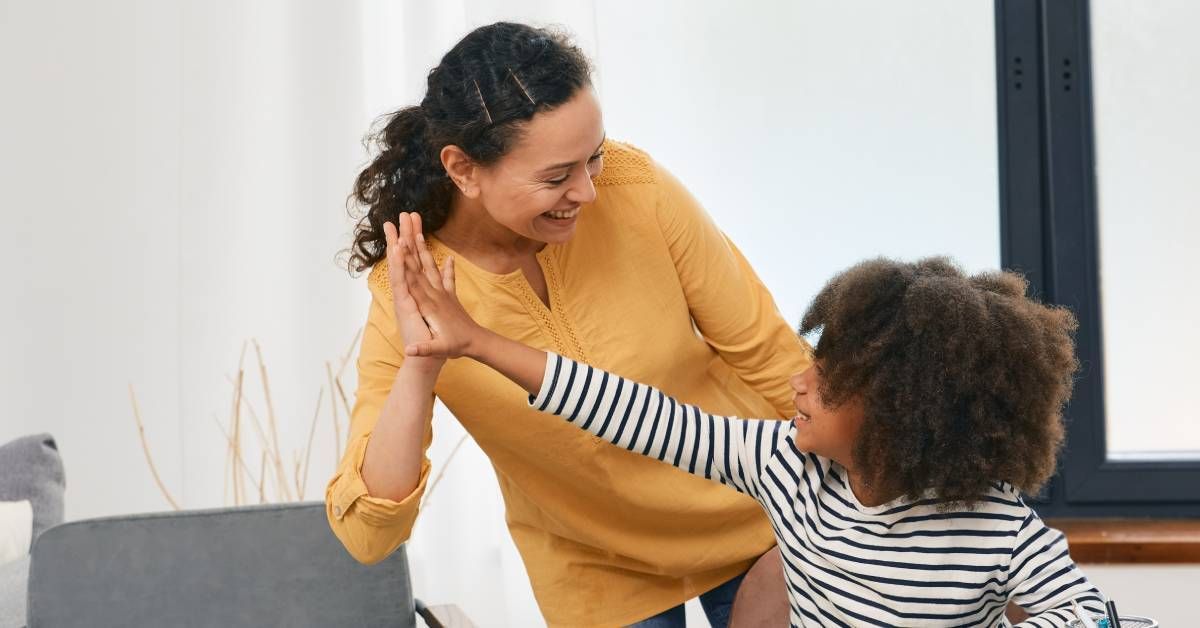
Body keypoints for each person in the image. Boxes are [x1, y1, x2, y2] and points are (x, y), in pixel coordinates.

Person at [325, 22, 810, 627]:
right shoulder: (413, 285)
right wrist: (422, 364)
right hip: (597, 570)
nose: (588, 191)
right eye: (556, 177)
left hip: (760, 520)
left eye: (594, 157)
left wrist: (835, 518)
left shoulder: (638, 189)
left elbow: (773, 358)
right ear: (464, 169)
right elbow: (369, 532)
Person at [394, 240, 1107, 627]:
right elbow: (638, 414)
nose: (800, 380)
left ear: (899, 411)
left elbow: (1083, 615)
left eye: (827, 377)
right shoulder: (784, 466)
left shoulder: (993, 524)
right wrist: (478, 342)